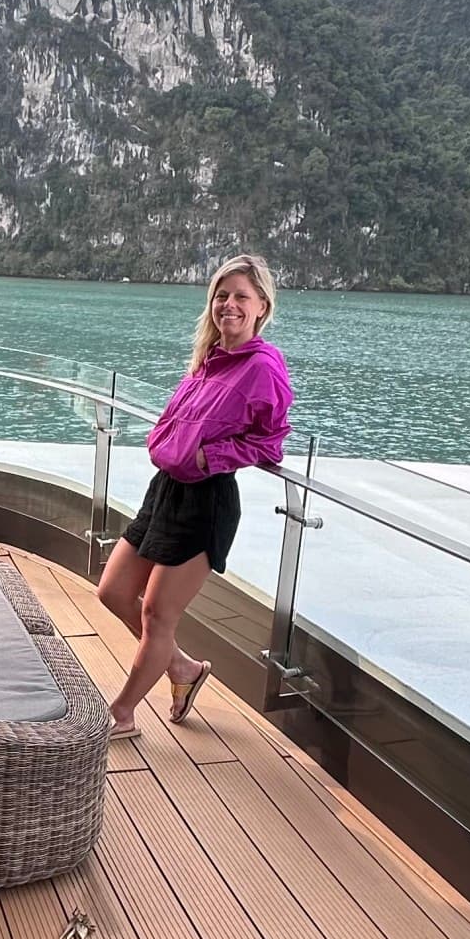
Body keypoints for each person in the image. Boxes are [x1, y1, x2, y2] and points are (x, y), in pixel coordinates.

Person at [96, 253, 292, 737]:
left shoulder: (263, 366)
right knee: (113, 592)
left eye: (241, 296)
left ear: (262, 306)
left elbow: (270, 441)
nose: (229, 305)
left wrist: (209, 457)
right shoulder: (208, 360)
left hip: (207, 500)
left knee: (157, 614)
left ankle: (121, 714)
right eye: (221, 296)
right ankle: (182, 668)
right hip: (165, 491)